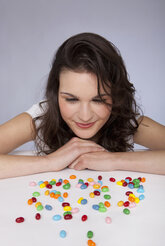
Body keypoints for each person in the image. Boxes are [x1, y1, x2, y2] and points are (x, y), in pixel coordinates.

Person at [0, 32, 165, 179]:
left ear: (115, 96)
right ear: (55, 93)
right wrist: (50, 162)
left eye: (99, 100)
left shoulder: (127, 122)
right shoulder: (40, 118)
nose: (85, 116)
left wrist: (115, 160)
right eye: (71, 100)